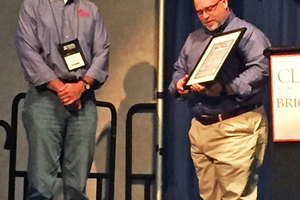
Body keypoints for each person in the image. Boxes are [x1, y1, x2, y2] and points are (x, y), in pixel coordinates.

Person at [168, 0, 271, 199]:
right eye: (199, 12)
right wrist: (179, 83)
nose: (205, 16)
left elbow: (261, 69)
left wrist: (225, 88)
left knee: (235, 195)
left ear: (224, 2)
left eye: (210, 8)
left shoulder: (247, 33)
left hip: (235, 124)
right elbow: (180, 68)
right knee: (209, 196)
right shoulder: (194, 38)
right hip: (201, 128)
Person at [14, 0, 109, 199]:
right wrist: (63, 90)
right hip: (44, 98)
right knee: (40, 184)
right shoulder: (32, 6)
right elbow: (27, 52)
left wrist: (80, 86)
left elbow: (102, 53)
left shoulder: (90, 10)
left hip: (83, 99)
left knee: (77, 185)